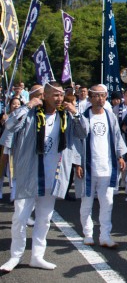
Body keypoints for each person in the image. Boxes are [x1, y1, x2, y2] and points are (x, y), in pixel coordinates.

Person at [0, 82, 86, 272]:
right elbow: (10, 124)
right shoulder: (30, 114)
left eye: (61, 95)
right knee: (20, 218)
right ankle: (15, 256)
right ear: (45, 95)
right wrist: (27, 105)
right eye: (55, 95)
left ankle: (37, 256)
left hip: (53, 175)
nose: (59, 99)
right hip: (29, 174)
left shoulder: (66, 116)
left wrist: (76, 113)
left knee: (44, 218)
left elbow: (83, 132)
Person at [76, 84, 127, 248]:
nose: (100, 99)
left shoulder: (110, 116)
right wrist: (77, 163)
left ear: (106, 97)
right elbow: (76, 142)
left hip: (107, 166)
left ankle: (105, 235)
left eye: (103, 95)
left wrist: (120, 155)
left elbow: (117, 137)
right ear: (90, 97)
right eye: (96, 96)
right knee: (87, 204)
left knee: (107, 203)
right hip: (88, 166)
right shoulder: (83, 117)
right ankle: (88, 234)